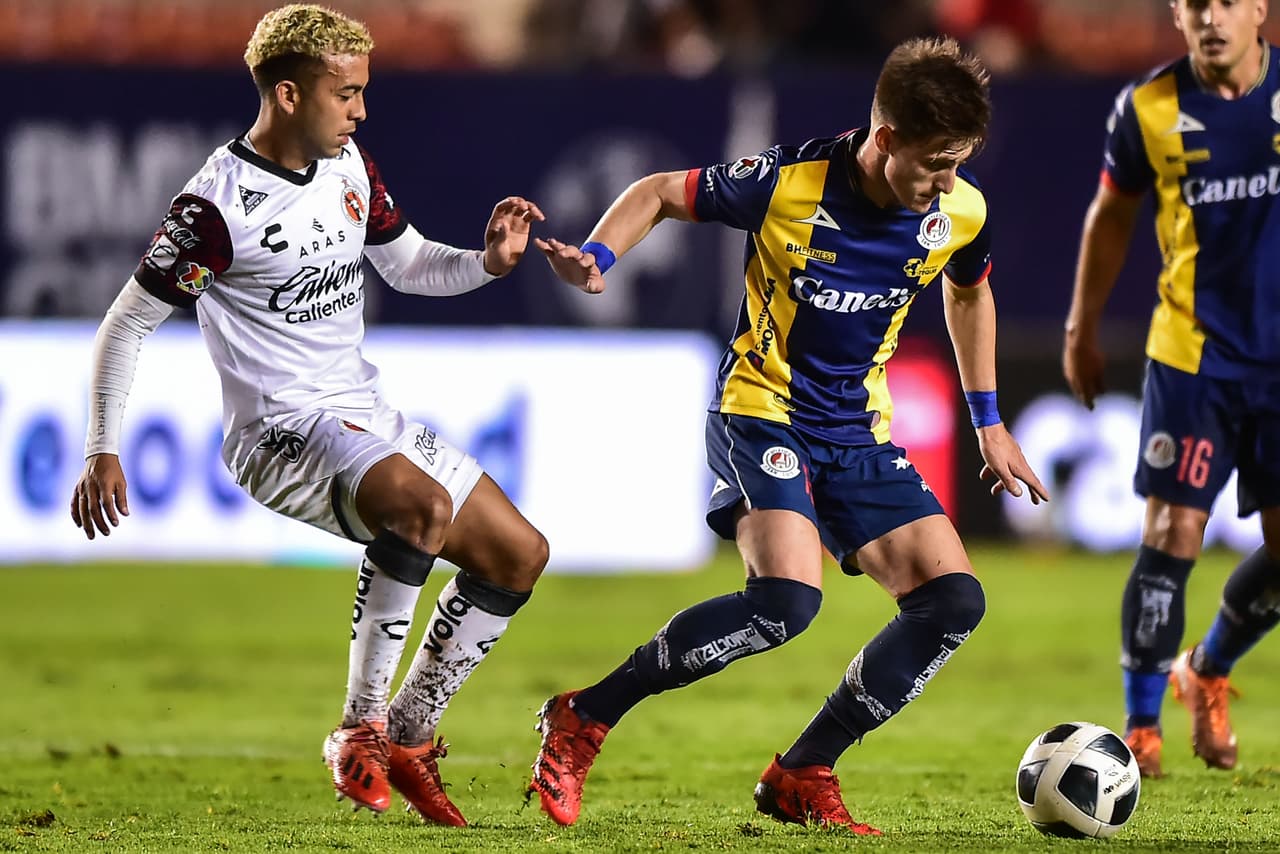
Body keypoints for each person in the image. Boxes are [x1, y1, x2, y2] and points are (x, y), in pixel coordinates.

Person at [527, 36, 1048, 834]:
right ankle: (585, 716)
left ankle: (804, 771)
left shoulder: (960, 211)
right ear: (887, 139)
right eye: (936, 163)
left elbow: (970, 292)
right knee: (785, 601)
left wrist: (989, 421)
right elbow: (659, 191)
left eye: (959, 164)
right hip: (761, 408)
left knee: (952, 601)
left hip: (856, 430)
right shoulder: (787, 182)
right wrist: (598, 255)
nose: (947, 182)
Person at [68, 3, 550, 826]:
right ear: (288, 95)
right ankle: (360, 727)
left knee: (519, 555)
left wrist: (489, 263)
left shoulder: (348, 163)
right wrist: (101, 448)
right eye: (346, 93)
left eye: (362, 92)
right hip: (280, 432)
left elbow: (408, 264)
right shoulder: (216, 210)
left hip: (360, 412)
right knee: (420, 508)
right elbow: (126, 324)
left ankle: (409, 736)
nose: (360, 110)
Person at [1063, 0, 1280, 780]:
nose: (1211, 18)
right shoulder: (1147, 108)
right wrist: (1081, 327)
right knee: (1172, 531)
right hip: (1193, 355)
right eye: (1194, 4)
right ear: (1176, 16)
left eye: (1227, 1)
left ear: (1260, 9)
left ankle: (1206, 668)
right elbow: (1111, 216)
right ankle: (1142, 727)